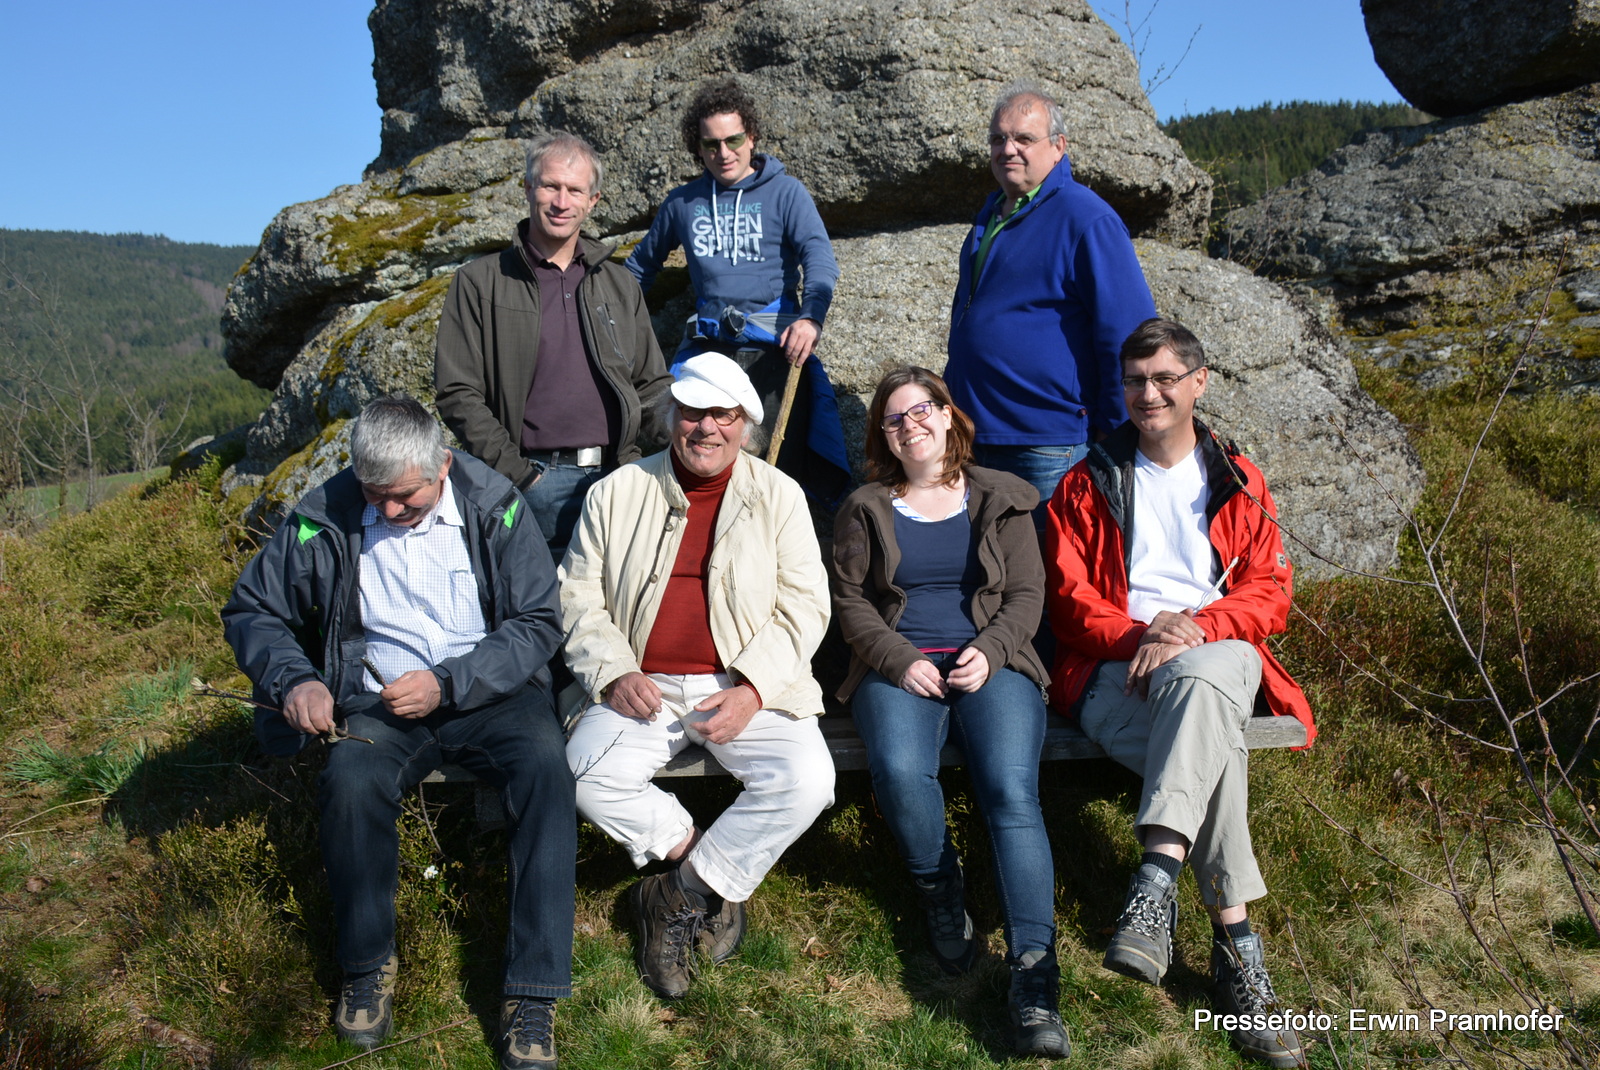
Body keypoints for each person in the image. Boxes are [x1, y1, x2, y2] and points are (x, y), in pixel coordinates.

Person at [221, 396, 573, 1070]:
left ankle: (533, 991)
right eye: (373, 495)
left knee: (546, 771)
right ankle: (366, 964)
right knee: (351, 779)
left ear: (443, 466)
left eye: (404, 497)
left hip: (491, 691)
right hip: (377, 700)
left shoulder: (497, 506)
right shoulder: (322, 515)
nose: (386, 510)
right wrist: (297, 681)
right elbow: (253, 609)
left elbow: (536, 622)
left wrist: (449, 682)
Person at [1044, 320, 1317, 1068]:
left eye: (1165, 378)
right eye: (1136, 380)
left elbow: (1270, 593)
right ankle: (1238, 954)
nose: (1149, 394)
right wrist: (1145, 634)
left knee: (1209, 671)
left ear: (1199, 382)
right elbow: (1068, 601)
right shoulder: (1086, 482)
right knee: (1215, 749)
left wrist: (1195, 628)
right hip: (1115, 668)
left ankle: (1155, 881)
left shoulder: (1239, 479)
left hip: (1216, 656)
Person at [561, 352, 836, 1001]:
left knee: (809, 780)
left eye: (723, 415)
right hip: (642, 684)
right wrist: (613, 671)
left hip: (742, 685)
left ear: (745, 426)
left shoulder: (779, 496)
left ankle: (675, 895)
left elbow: (805, 606)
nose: (706, 427)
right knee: (583, 774)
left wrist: (754, 690)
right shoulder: (616, 492)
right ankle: (705, 866)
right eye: (692, 412)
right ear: (671, 418)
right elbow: (575, 596)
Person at [831, 367, 1068, 1058]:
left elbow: (1027, 594)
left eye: (922, 410)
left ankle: (1034, 976)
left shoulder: (1003, 497)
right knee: (902, 771)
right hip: (898, 667)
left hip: (993, 665)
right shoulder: (865, 507)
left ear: (946, 414)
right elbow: (850, 603)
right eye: (894, 418)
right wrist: (897, 658)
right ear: (883, 435)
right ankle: (940, 885)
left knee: (1010, 792)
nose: (910, 426)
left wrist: (990, 652)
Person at [436, 130, 672, 562]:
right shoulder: (479, 282)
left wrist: (687, 442)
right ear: (528, 188)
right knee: (542, 605)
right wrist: (521, 476)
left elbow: (651, 387)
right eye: (550, 186)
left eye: (575, 190)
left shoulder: (620, 284)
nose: (562, 201)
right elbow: (457, 393)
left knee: (623, 603)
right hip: (533, 485)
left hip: (619, 479)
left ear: (593, 200)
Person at [626, 78, 850, 506]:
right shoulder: (683, 203)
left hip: (773, 352)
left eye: (733, 140)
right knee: (685, 455)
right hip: (707, 351)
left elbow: (820, 259)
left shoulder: (786, 193)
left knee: (772, 469)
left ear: (752, 137)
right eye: (711, 144)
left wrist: (811, 317)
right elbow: (637, 270)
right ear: (698, 148)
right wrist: (607, 326)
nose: (724, 153)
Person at [946, 83, 1158, 526]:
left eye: (1024, 138)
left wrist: (1115, 430)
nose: (1008, 149)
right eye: (998, 138)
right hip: (975, 435)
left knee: (1047, 565)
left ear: (1058, 146)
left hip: (1048, 445)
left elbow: (1130, 332)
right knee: (988, 563)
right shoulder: (990, 217)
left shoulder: (1086, 218)